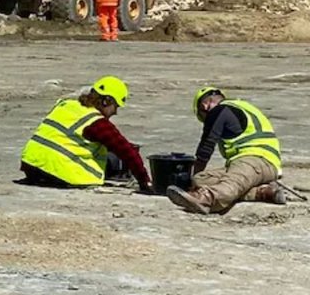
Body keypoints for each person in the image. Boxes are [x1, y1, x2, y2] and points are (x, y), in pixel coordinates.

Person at [19, 76, 153, 192]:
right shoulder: (97, 123)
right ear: (106, 101)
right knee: (112, 160)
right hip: (59, 173)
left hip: (31, 166)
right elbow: (126, 151)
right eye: (116, 107)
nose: (115, 113)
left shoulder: (65, 105)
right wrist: (145, 182)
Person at [168, 87, 286, 214]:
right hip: (263, 164)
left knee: (232, 182)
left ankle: (206, 199)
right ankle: (262, 192)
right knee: (201, 179)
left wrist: (191, 182)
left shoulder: (218, 111)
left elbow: (205, 148)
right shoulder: (241, 106)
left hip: (255, 159)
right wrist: (195, 179)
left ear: (204, 106)